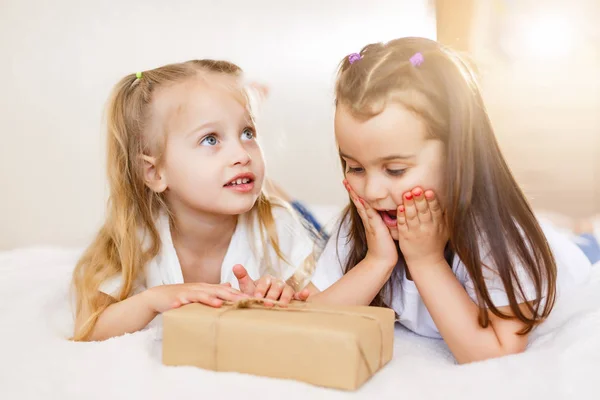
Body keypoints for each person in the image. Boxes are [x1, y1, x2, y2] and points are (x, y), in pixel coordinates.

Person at [303, 37, 592, 364]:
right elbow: (310, 321)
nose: (371, 191)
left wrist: (427, 261)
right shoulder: (363, 224)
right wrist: (376, 262)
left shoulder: (499, 239)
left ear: (458, 155)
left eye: (395, 170)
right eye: (354, 167)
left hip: (577, 259)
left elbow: (494, 353)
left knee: (588, 243)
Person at [71, 60, 313, 342]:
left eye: (248, 133)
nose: (242, 154)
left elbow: (322, 305)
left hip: (295, 215)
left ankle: (252, 109)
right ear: (154, 172)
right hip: (247, 193)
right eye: (211, 139)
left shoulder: (276, 225)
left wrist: (288, 296)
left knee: (301, 214)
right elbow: (88, 329)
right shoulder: (136, 236)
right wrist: (152, 300)